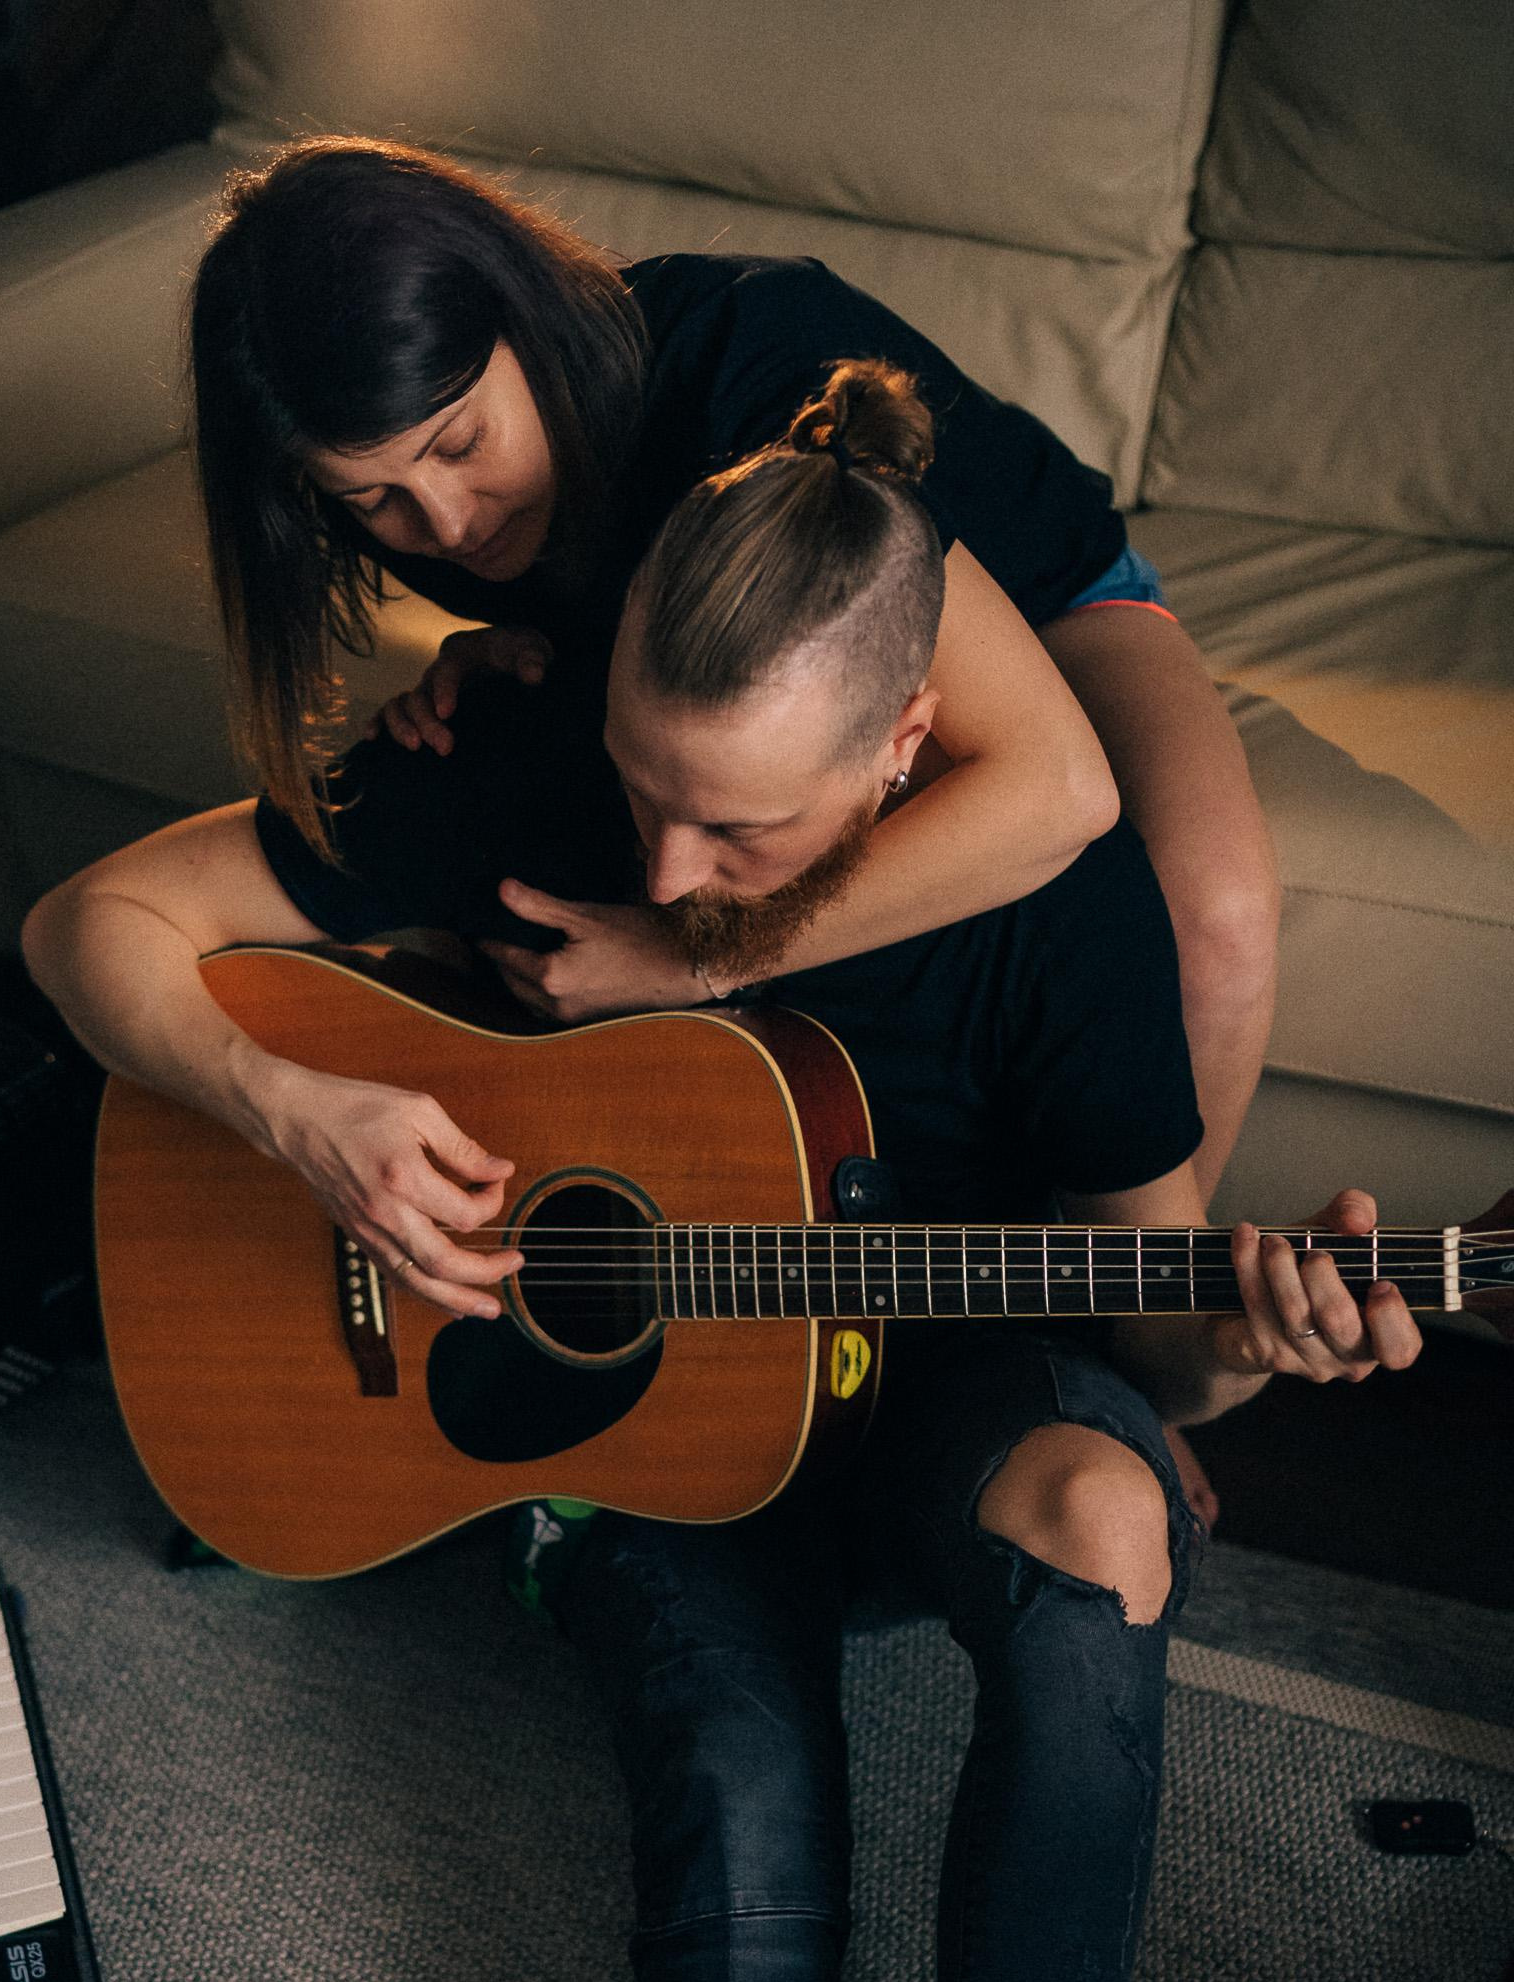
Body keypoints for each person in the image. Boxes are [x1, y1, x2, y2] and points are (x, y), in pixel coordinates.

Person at [22, 363, 1420, 1982]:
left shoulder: (1048, 905)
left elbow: (1137, 1323)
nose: (662, 859)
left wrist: (1254, 1336)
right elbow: (95, 921)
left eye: (740, 819)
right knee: (743, 1826)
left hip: (927, 1394)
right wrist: (304, 1109)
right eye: (645, 786)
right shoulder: (525, 747)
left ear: (904, 747)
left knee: (1108, 1531)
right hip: (631, 1445)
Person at [189, 136, 1279, 1225]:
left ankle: (1161, 1359)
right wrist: (514, 650)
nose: (443, 525)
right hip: (756, 664)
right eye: (370, 499)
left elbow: (1055, 787)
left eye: (462, 442)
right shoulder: (402, 489)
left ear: (527, 315)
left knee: (1211, 910)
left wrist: (687, 964)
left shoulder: (751, 365)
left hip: (1049, 597)